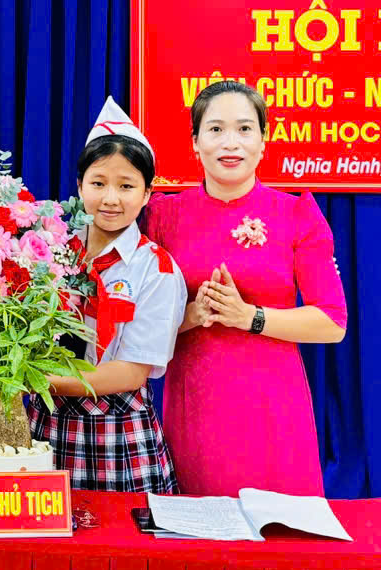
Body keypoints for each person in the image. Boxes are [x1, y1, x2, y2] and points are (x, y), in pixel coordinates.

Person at [141, 79, 348, 496]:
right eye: (215, 129)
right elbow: (137, 323)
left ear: (263, 140)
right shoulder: (164, 215)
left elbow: (332, 322)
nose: (230, 142)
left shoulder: (296, 213)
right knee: (201, 524)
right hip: (196, 403)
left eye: (244, 129)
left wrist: (249, 317)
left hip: (273, 402)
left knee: (279, 526)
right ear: (195, 142)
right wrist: (190, 316)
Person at [31, 98, 187, 493]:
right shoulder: (46, 252)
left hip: (121, 434)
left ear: (148, 193)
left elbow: (131, 372)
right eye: (98, 183)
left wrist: (32, 381)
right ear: (79, 185)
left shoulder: (157, 269)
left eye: (126, 186)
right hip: (45, 424)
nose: (110, 198)